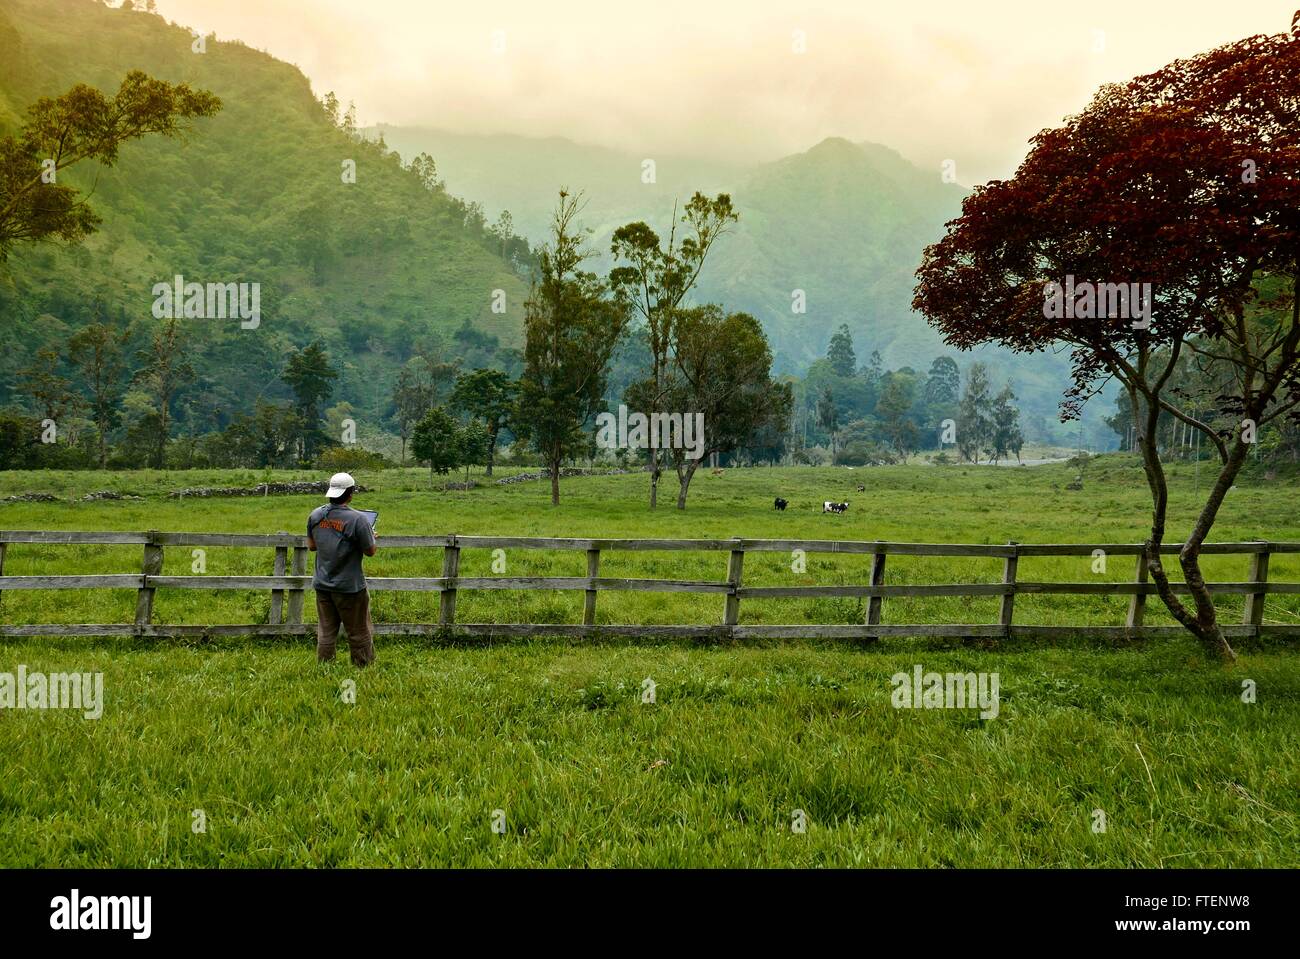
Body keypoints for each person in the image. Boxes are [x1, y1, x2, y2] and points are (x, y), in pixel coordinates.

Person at [307, 472, 378, 666]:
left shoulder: (315, 515)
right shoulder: (359, 520)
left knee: (326, 631)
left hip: (322, 584)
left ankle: (325, 666)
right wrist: (371, 535)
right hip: (350, 586)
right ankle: (363, 666)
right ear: (351, 492)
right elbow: (370, 551)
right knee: (358, 630)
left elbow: (312, 546)